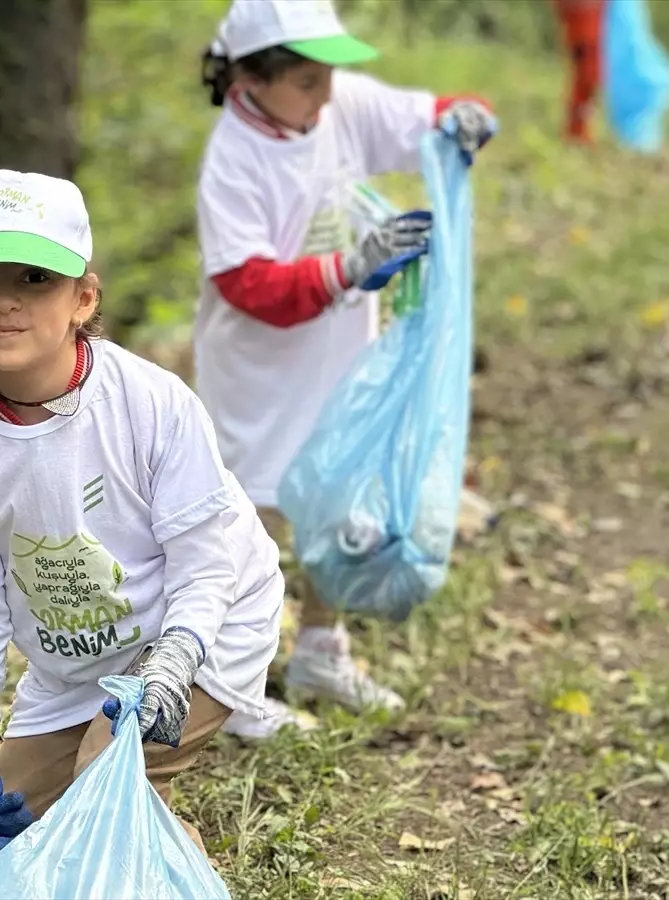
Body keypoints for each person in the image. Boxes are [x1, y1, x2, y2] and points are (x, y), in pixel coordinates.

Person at [0, 169, 285, 900]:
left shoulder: (151, 404)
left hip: (205, 628)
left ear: (83, 299)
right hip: (77, 670)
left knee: (106, 787)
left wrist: (176, 659)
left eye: (35, 278)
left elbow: (206, 563)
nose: (5, 299)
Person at [193, 0, 497, 742]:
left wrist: (464, 120)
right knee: (256, 521)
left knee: (336, 503)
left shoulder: (337, 106)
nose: (324, 93)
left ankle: (322, 650)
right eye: (304, 79)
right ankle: (232, 682)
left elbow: (426, 114)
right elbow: (250, 284)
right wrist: (351, 267)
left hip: (338, 361)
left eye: (327, 72)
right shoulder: (234, 159)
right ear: (251, 79)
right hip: (261, 375)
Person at [554, 0, 607, 143]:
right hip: (582, 34)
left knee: (588, 81)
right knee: (586, 80)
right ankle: (577, 132)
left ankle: (579, 131)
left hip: (590, 32)